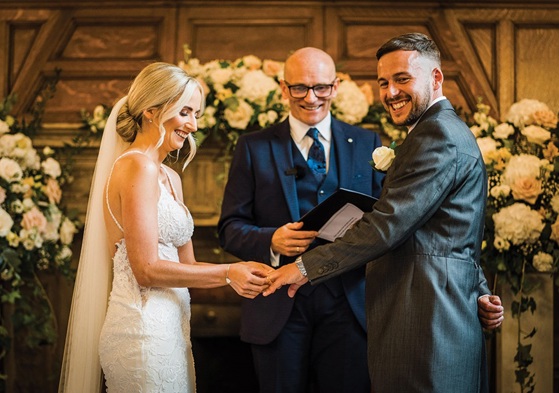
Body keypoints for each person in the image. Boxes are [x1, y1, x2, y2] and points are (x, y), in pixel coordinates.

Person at [263, 34, 504, 393]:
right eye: (383, 82)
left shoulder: (438, 136)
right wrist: (479, 289)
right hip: (430, 310)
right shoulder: (433, 133)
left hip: (427, 318)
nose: (391, 92)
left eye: (402, 79)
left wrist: (302, 268)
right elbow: (452, 231)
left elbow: (387, 225)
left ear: (436, 78)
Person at [58, 62, 273, 393]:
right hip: (141, 329)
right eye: (185, 111)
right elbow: (146, 270)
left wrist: (245, 275)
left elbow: (186, 267)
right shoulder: (135, 167)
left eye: (196, 114)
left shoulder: (170, 176)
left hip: (172, 325)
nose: (192, 124)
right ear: (151, 110)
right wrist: (229, 271)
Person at [217, 47, 384, 392]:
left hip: (348, 306)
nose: (311, 98)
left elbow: (384, 222)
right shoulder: (253, 147)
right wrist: (270, 240)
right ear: (283, 89)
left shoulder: (368, 143)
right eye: (300, 88)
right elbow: (229, 228)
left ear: (335, 87)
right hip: (276, 306)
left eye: (321, 87)